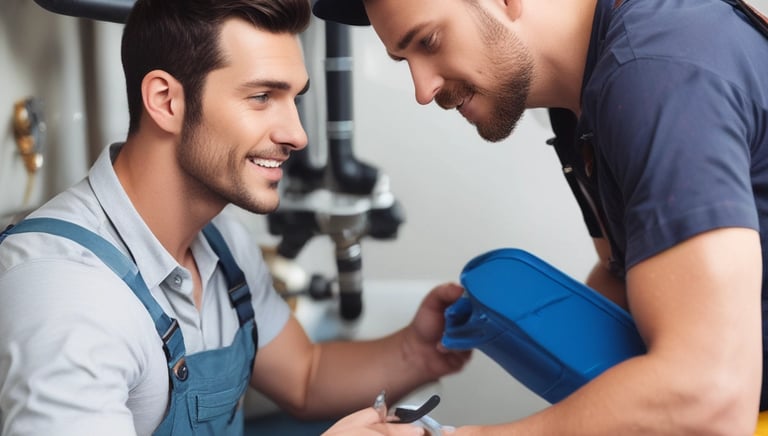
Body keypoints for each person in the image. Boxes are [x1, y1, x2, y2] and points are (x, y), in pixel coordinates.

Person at [0, 0, 472, 434]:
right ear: (166, 101)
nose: (297, 134)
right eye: (262, 96)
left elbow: (304, 376)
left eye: (294, 99)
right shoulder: (68, 294)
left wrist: (418, 350)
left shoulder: (221, 241)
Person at [311, 0, 768, 434]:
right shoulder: (584, 99)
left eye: (429, 41)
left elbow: (710, 397)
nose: (423, 89)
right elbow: (623, 281)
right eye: (403, 60)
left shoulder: (653, 76)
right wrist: (513, 320)